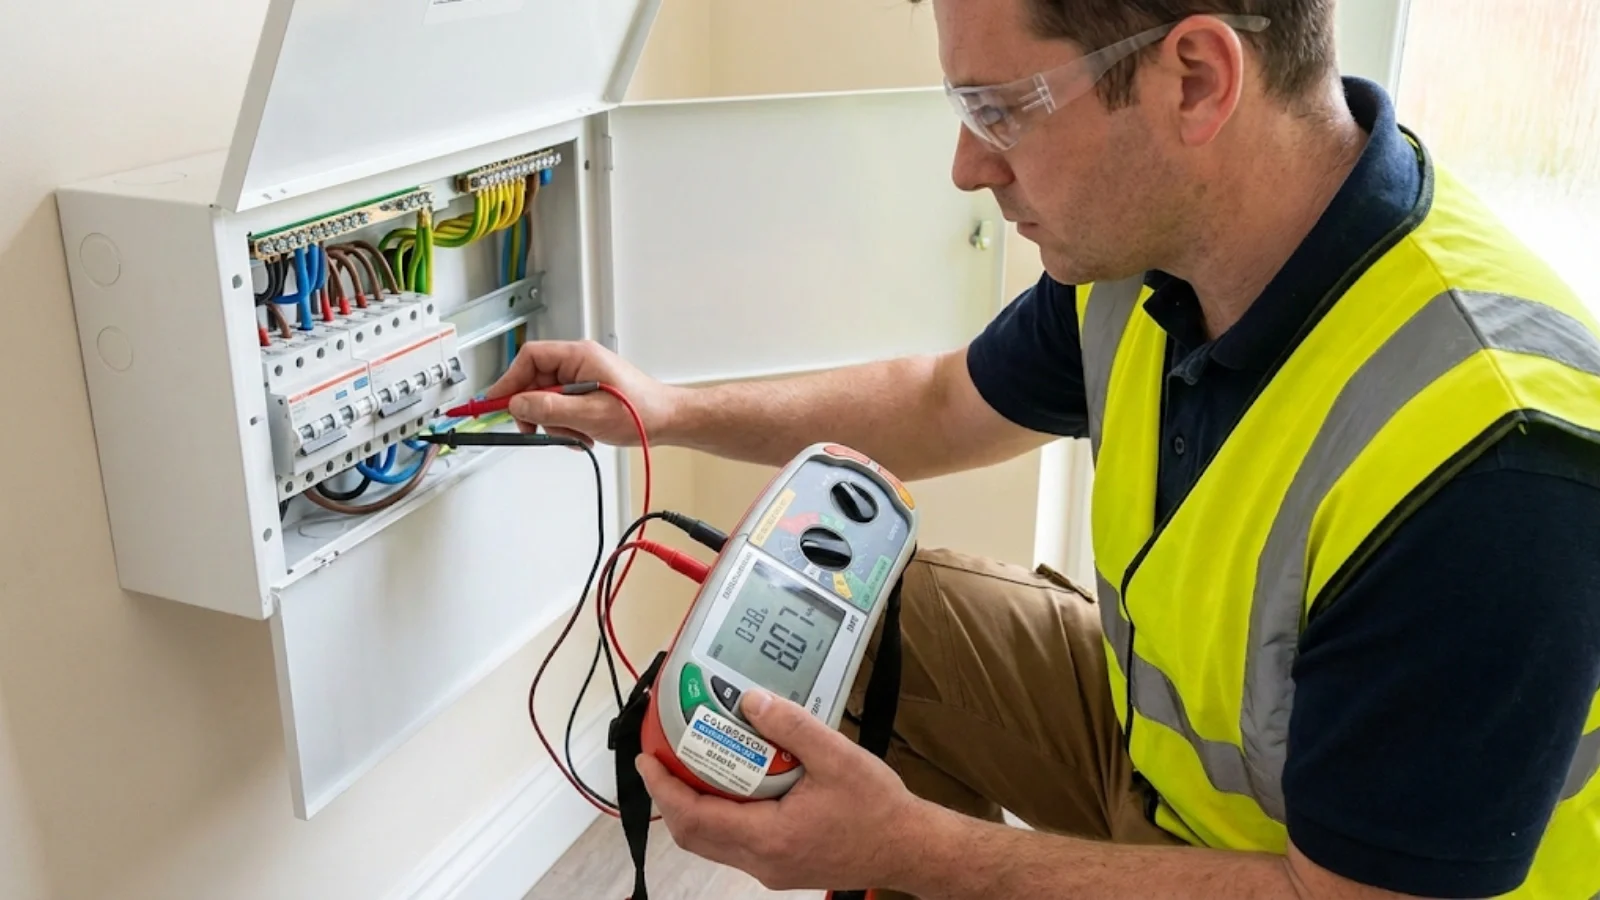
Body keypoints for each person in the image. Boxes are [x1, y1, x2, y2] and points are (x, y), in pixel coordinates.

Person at [487, 0, 1600, 896]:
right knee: (854, 610)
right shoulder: (1154, 257)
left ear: (1196, 79)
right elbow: (937, 402)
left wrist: (911, 850)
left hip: (1318, 871)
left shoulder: (1494, 465)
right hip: (1163, 762)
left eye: (1001, 107)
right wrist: (663, 407)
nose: (969, 168)